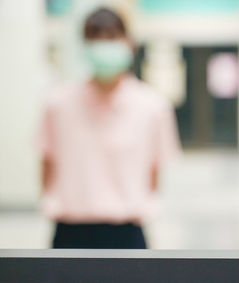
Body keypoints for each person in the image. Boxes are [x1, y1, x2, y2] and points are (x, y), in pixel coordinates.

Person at [38, 7, 181, 249]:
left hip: (128, 232)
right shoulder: (58, 104)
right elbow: (47, 161)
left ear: (129, 43)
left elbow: (155, 170)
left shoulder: (153, 107)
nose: (104, 45)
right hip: (69, 231)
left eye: (112, 37)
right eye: (96, 38)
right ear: (84, 46)